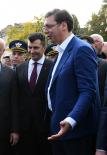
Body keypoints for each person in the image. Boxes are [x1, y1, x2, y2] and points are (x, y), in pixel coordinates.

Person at [44, 9, 99, 155]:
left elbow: (88, 91)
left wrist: (71, 119)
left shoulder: (81, 49)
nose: (45, 31)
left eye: (49, 26)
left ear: (63, 25)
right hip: (59, 130)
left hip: (75, 134)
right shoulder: (62, 51)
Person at [16, 32, 53, 155]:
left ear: (43, 47)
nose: (32, 51)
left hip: (45, 127)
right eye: (30, 47)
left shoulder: (52, 67)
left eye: (36, 48)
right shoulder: (20, 68)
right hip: (24, 127)